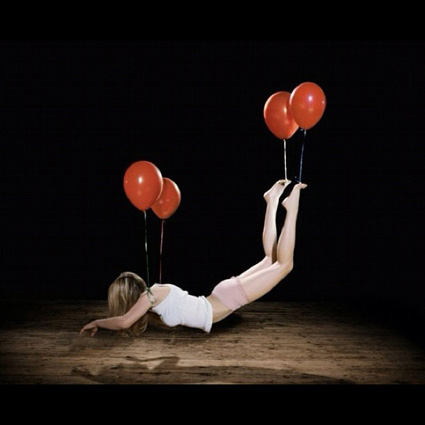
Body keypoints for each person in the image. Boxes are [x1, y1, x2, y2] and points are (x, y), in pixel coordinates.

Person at [79, 180, 307, 338]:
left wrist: (97, 322)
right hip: (220, 296)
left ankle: (291, 206)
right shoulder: (154, 298)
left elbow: (124, 322)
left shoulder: (150, 296)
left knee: (284, 264)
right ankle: (272, 201)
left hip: (224, 300)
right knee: (270, 259)